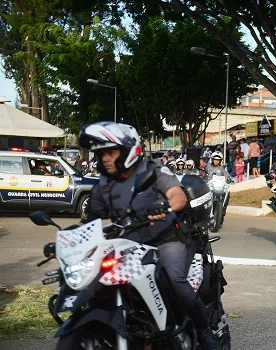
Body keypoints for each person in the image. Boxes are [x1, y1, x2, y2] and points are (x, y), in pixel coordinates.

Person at [78, 121, 220, 349]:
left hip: (164, 240)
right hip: (126, 245)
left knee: (174, 278)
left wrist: (166, 208)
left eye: (111, 152)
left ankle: (204, 332)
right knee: (96, 283)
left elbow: (178, 195)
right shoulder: (103, 184)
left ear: (128, 151)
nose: (104, 158)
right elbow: (91, 222)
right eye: (101, 153)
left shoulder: (154, 171)